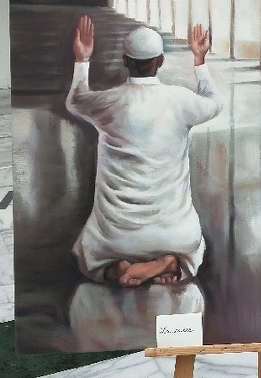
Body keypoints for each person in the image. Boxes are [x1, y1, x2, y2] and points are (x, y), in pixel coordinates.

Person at [66, 15, 223, 287]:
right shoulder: (180, 100)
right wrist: (199, 60)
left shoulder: (110, 101)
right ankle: (169, 261)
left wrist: (82, 59)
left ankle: (118, 268)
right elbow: (215, 102)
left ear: (125, 61)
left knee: (88, 255)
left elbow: (75, 101)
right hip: (174, 234)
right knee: (193, 249)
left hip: (115, 236)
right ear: (160, 61)